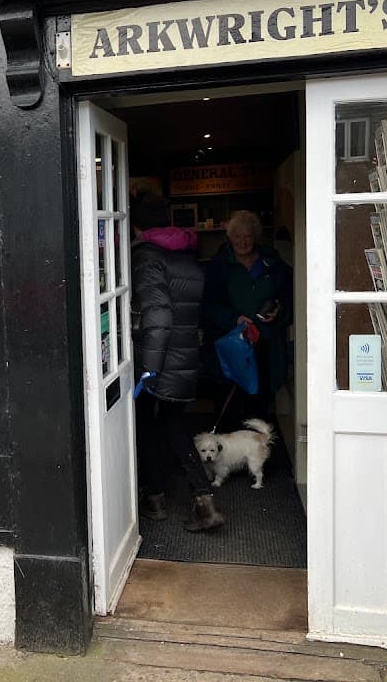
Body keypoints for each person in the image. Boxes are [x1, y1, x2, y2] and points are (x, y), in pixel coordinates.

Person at [130, 195, 224, 532]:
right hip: (184, 355)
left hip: (160, 357)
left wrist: (149, 369)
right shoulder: (186, 256)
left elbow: (157, 314)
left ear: (137, 225)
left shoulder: (146, 257)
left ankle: (156, 498)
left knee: (145, 425)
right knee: (171, 425)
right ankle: (203, 501)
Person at [203, 210, 293, 427]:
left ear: (256, 236)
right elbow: (209, 305)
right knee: (229, 401)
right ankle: (228, 456)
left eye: (248, 236)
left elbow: (290, 293)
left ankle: (256, 455)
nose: (243, 242)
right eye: (237, 237)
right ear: (229, 238)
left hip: (264, 342)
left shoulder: (272, 262)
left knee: (259, 403)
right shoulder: (220, 265)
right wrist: (233, 319)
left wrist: (279, 310)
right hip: (233, 345)